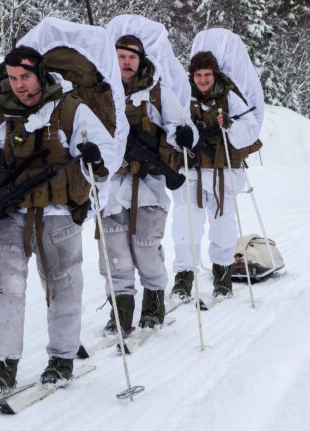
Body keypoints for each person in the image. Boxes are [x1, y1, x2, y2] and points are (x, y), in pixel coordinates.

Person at [0, 46, 118, 392]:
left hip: (58, 211)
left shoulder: (69, 108)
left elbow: (106, 153)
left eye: (25, 76)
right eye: (13, 77)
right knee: (0, 279)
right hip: (8, 212)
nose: (18, 84)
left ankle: (61, 359)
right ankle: (3, 364)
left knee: (63, 285)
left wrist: (93, 157)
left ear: (40, 74)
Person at [97, 32, 197, 335]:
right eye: (121, 56)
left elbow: (182, 124)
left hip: (150, 185)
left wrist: (183, 136)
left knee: (146, 249)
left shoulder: (157, 93)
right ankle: (121, 312)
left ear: (140, 61)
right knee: (114, 254)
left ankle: (154, 304)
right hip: (111, 188)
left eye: (131, 57)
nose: (125, 62)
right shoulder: (100, 93)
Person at [170, 51, 260, 299]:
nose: (202, 80)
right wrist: (180, 140)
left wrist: (230, 125)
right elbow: (168, 125)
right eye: (198, 75)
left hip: (223, 171)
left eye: (207, 74)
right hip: (192, 170)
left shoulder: (230, 97)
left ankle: (223, 277)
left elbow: (250, 130)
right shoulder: (182, 95)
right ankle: (183, 278)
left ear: (215, 74)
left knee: (223, 226)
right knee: (186, 224)